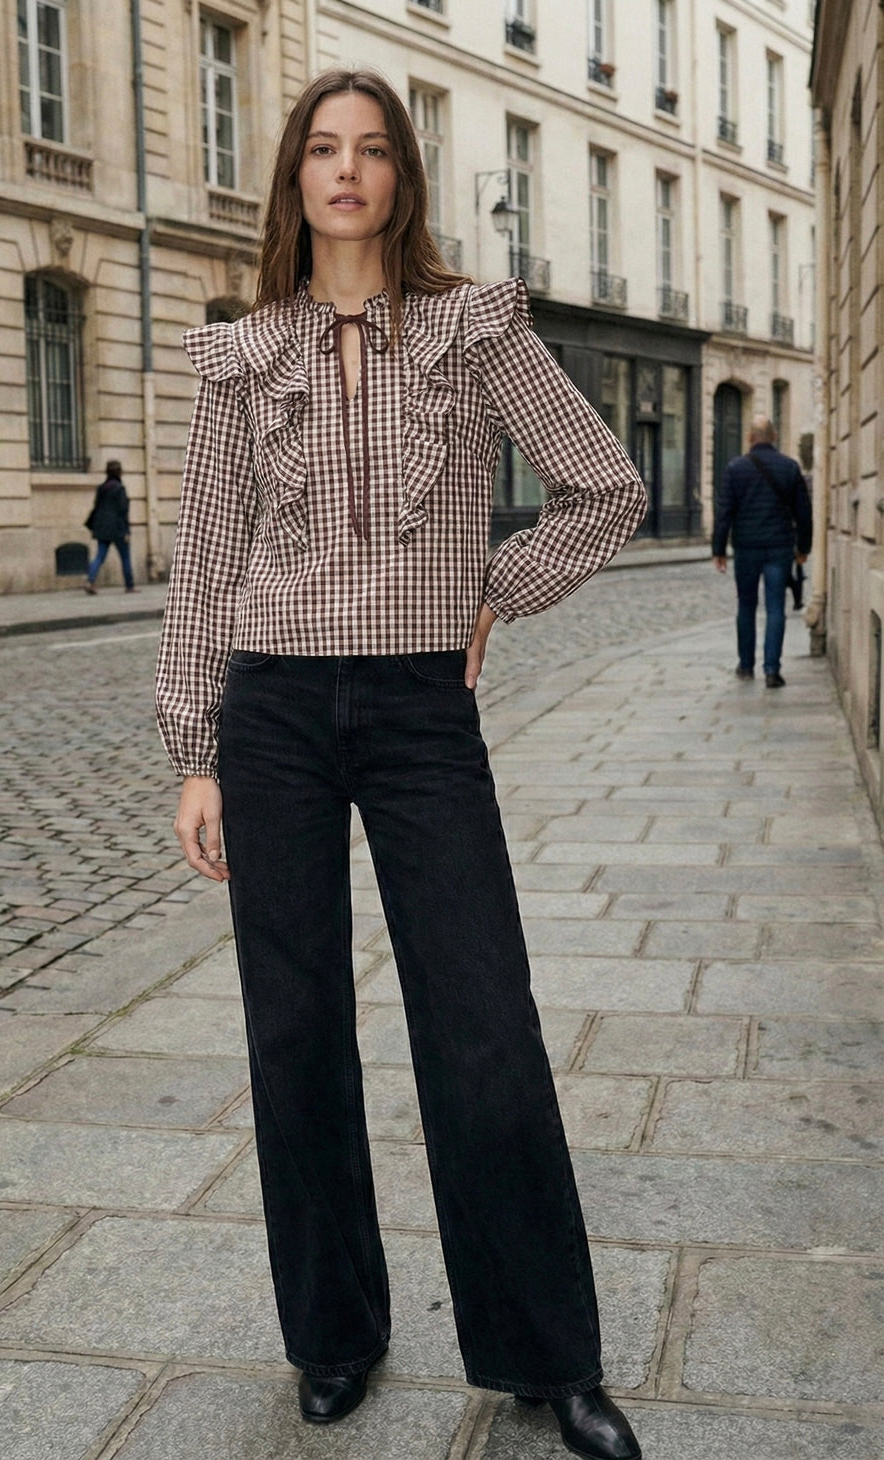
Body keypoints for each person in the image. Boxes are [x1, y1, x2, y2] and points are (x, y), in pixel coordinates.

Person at [156, 68, 646, 1460]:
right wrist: (194, 748)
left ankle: (547, 1354)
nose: (348, 171)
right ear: (295, 178)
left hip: (426, 712)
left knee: (485, 1027)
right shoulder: (242, 356)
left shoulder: (472, 331)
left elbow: (601, 484)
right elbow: (202, 566)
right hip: (274, 719)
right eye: (324, 148)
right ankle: (334, 1332)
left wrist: (501, 582)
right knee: (296, 1030)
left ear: (402, 174)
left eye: (373, 149)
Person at [712, 416, 812, 687]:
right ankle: (771, 670)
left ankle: (746, 666)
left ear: (749, 438)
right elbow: (804, 513)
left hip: (746, 547)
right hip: (779, 547)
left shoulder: (735, 468)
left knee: (746, 605)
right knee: (776, 607)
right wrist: (803, 548)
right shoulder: (790, 468)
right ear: (775, 436)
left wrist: (718, 549)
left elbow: (725, 513)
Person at [84, 460, 134, 593]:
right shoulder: (119, 488)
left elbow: (97, 506)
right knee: (125, 557)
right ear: (119, 473)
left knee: (100, 555)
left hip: (102, 527)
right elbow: (123, 510)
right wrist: (126, 531)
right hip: (118, 527)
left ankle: (90, 580)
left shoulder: (101, 488)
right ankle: (129, 585)